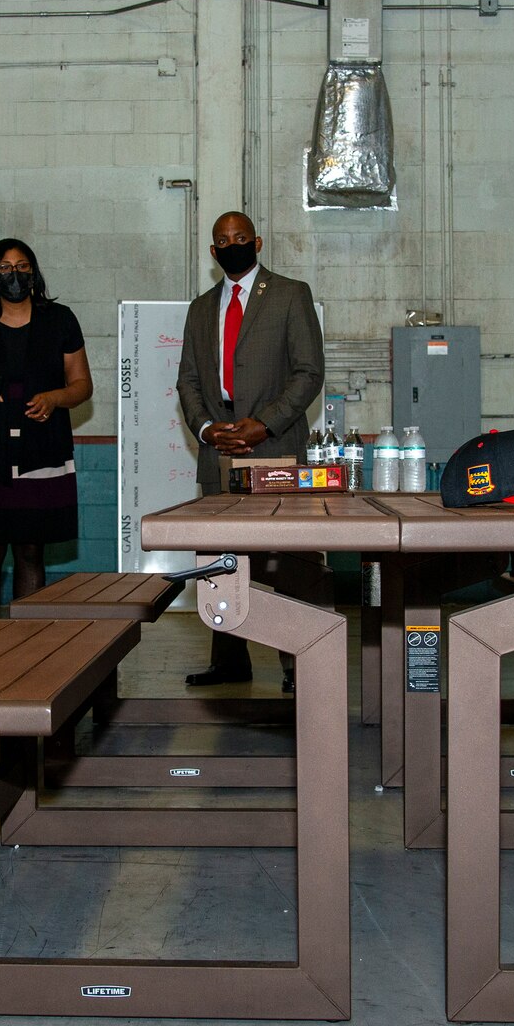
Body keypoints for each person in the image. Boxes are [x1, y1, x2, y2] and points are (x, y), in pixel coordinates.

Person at [173, 210, 326, 692]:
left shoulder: (289, 294)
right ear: (213, 251)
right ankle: (230, 661)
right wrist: (205, 428)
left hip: (276, 446)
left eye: (241, 237)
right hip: (218, 450)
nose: (232, 245)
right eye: (223, 240)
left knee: (287, 561)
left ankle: (297, 663)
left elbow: (309, 372)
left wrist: (264, 424)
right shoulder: (200, 308)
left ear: (257, 243)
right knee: (221, 559)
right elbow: (189, 380)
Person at [0, 238, 93, 619]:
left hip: (41, 451)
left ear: (34, 272)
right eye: (5, 267)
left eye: (22, 266)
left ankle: (27, 645)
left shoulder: (60, 320)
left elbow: (82, 385)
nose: (14, 274)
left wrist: (55, 399)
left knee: (30, 550)